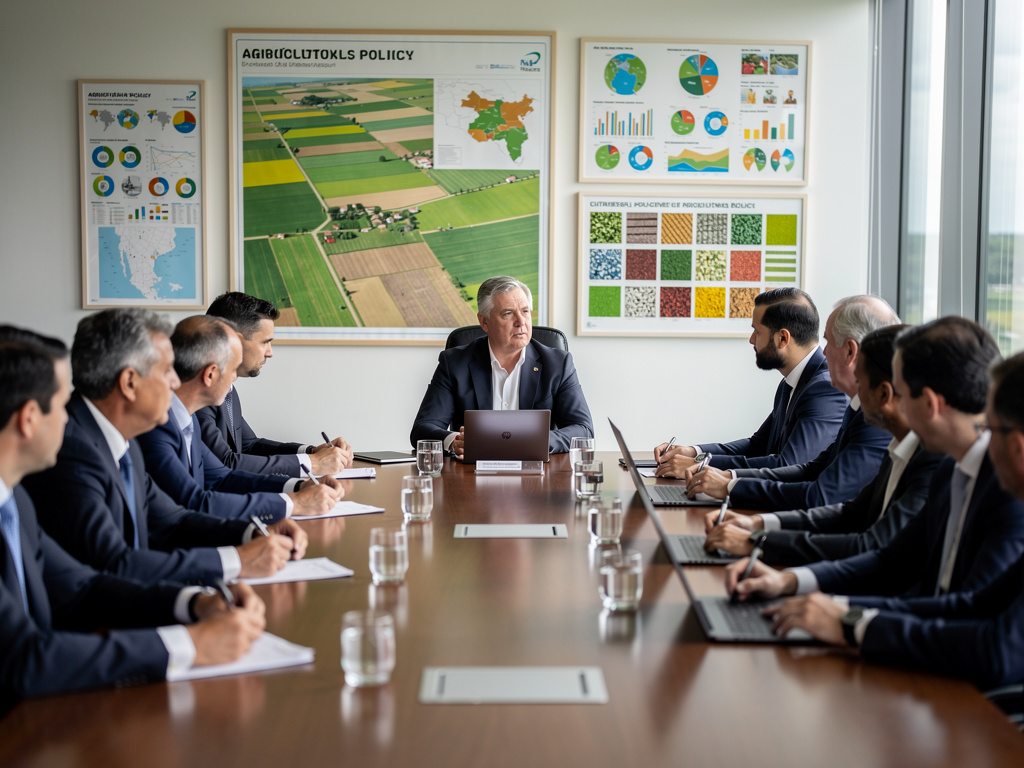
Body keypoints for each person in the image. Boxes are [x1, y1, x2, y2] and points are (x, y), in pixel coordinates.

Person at [0, 328, 265, 716]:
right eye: (58, 405)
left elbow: (81, 587)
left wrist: (195, 605)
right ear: (28, 420)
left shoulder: (14, 499)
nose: (67, 417)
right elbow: (20, 657)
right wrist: (192, 645)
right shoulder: (72, 453)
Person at [727, 317, 1024, 621]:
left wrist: (847, 620)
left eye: (902, 393)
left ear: (929, 404)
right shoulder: (951, 469)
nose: (896, 403)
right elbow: (892, 559)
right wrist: (791, 581)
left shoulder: (997, 490)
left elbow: (973, 619)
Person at [761, 349, 1024, 694]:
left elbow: (997, 650)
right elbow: (968, 603)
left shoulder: (1003, 499)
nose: (983, 438)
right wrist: (828, 603)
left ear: (1018, 447)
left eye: (989, 428)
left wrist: (852, 624)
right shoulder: (950, 470)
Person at [22, 310, 306, 587]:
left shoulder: (123, 440)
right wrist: (237, 560)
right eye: (166, 370)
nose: (175, 381)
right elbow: (113, 563)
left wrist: (252, 534)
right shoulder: (71, 452)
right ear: (129, 383)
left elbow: (173, 520)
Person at [704, 324, 945, 564]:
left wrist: (759, 540)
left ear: (885, 394)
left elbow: (869, 541)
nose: (823, 351)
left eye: (860, 382)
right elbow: (848, 510)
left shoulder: (923, 456)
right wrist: (758, 523)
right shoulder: (897, 445)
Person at [666, 296, 897, 511]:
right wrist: (711, 465)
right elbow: (766, 448)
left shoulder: (829, 391)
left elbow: (802, 475)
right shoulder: (794, 384)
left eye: (757, 331)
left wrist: (726, 483)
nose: (824, 352)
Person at [137, 316, 344, 524]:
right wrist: (294, 503)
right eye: (233, 370)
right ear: (210, 375)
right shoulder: (157, 428)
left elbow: (222, 477)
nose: (234, 378)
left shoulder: (187, 420)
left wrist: (298, 487)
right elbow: (194, 501)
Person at [654, 287, 847, 472]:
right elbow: (757, 445)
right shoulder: (790, 384)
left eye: (757, 331)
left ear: (782, 338)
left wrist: (698, 465)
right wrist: (693, 452)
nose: (751, 339)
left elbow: (788, 464)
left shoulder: (825, 389)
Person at [410, 276, 594, 457]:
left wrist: (537, 440)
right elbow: (423, 428)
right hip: (472, 472)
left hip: (537, 471)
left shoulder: (557, 364)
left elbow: (583, 430)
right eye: (508, 313)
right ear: (484, 322)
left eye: (525, 311)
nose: (521, 322)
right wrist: (456, 441)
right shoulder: (455, 363)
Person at [199, 292, 353, 477]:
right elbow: (224, 462)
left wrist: (312, 452)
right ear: (235, 342)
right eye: (265, 342)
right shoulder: (200, 393)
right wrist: (312, 463)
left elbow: (250, 445)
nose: (270, 353)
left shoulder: (229, 391)